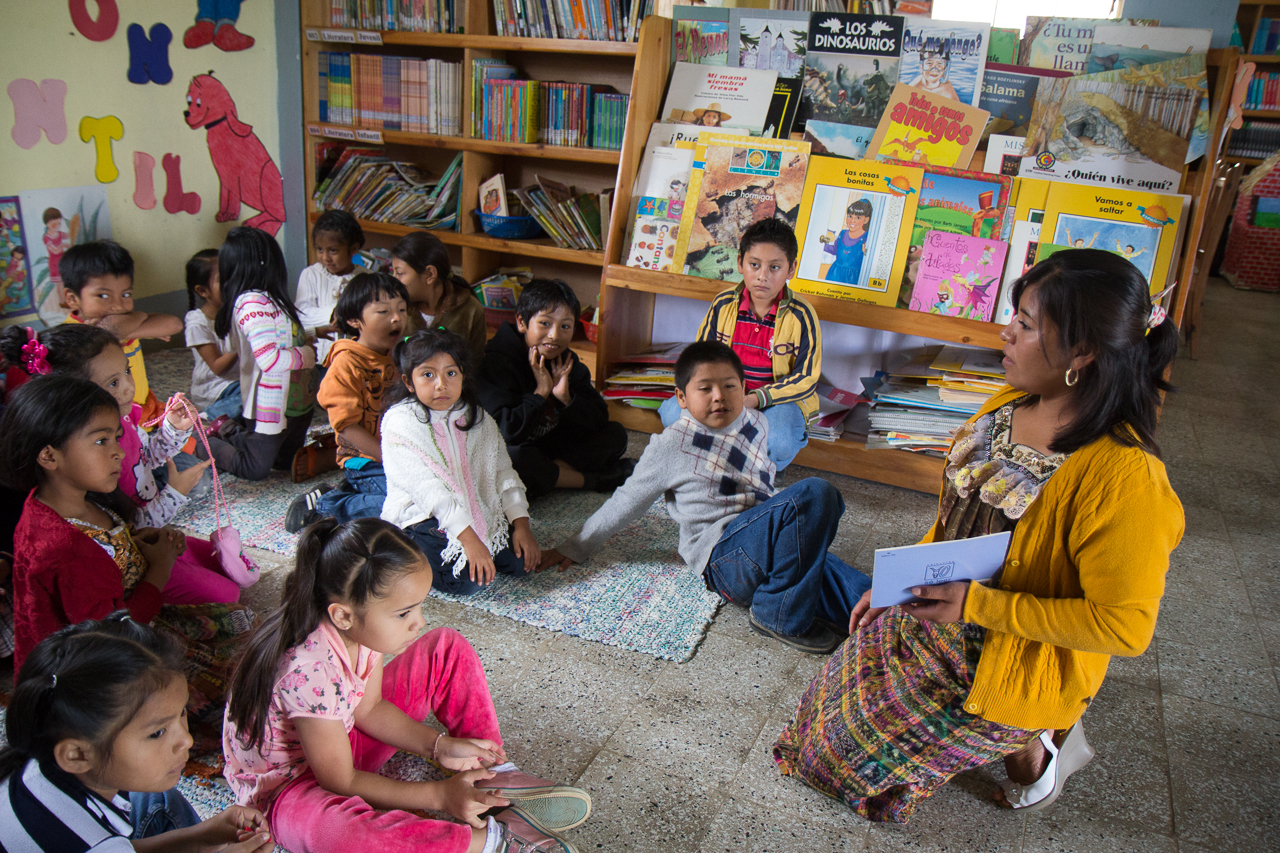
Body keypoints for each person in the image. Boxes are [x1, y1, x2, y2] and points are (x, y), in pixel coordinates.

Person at [773, 248, 1185, 821]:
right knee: (809, 733)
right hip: (942, 614)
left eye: (1024, 324)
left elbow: (1125, 626)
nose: (1005, 333)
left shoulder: (1126, 479)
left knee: (832, 764)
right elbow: (955, 518)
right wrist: (895, 586)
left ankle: (1034, 740)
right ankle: (1028, 737)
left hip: (1003, 651)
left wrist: (977, 604)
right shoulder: (1006, 403)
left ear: (1082, 353)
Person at [222, 517, 591, 853]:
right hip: (290, 789)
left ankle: (493, 777)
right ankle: (489, 842)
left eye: (417, 607)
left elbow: (368, 708)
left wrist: (438, 745)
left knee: (446, 647)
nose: (418, 623)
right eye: (403, 613)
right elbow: (340, 779)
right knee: (339, 833)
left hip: (339, 733)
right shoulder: (310, 670)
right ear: (343, 615)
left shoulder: (358, 631)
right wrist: (439, 796)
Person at [542, 341, 870, 654]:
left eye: (729, 386)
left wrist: (788, 525)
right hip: (723, 557)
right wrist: (576, 545)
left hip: (761, 539)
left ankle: (873, 616)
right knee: (815, 493)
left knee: (869, 595)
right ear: (681, 398)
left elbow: (762, 486)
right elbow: (626, 501)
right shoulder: (672, 444)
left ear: (744, 389)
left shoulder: (756, 423)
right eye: (705, 388)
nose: (719, 397)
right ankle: (777, 614)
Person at [0, 375, 253, 750]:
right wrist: (160, 568)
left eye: (116, 438)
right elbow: (113, 632)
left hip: (138, 622)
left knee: (250, 629)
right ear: (49, 455)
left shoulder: (78, 501)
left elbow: (108, 548)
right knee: (236, 705)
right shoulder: (61, 546)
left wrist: (138, 543)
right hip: (99, 666)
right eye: (101, 441)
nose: (119, 452)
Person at [0, 324, 248, 603]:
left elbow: (142, 458)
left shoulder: (122, 422)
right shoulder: (84, 480)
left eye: (127, 372)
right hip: (138, 542)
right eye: (113, 383)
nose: (130, 387)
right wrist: (175, 495)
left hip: (141, 534)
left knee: (220, 563)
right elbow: (126, 531)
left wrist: (173, 429)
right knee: (228, 594)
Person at [0, 613, 274, 852]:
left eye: (181, 713)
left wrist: (202, 837)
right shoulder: (85, 842)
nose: (186, 740)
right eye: (157, 733)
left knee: (157, 797)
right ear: (77, 754)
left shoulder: (34, 763)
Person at [380, 330, 541, 596]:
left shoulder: (476, 417)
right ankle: (345, 508)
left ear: (463, 375)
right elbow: (427, 490)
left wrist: (522, 525)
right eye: (428, 374)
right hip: (425, 516)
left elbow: (502, 471)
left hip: (475, 507)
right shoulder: (400, 422)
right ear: (409, 382)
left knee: (521, 563)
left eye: (451, 373)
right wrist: (469, 541)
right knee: (467, 582)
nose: (441, 384)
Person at [658, 218, 820, 471]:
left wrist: (756, 399)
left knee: (779, 439)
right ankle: (721, 461)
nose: (762, 276)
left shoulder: (802, 315)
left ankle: (759, 472)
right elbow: (700, 359)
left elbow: (807, 377)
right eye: (754, 265)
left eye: (775, 267)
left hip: (774, 402)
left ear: (791, 270)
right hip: (725, 395)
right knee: (671, 414)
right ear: (740, 263)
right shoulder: (723, 304)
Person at [476, 279, 631, 500]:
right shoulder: (496, 363)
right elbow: (504, 433)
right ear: (521, 322)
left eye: (565, 326)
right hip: (519, 448)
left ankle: (553, 475)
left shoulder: (565, 359)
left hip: (549, 447)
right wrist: (541, 393)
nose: (554, 335)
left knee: (616, 435)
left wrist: (566, 398)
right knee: (511, 460)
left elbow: (599, 420)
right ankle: (592, 480)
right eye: (545, 323)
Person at [287, 273, 407, 532]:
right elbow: (347, 427)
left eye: (402, 310)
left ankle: (349, 492)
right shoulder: (346, 363)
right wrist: (388, 458)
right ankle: (327, 505)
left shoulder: (398, 356)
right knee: (403, 507)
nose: (396, 318)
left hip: (399, 455)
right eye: (383, 311)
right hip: (365, 460)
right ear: (354, 320)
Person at [203, 227, 317, 481]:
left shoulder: (272, 298)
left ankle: (232, 429)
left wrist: (309, 339)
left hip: (298, 403)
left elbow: (284, 336)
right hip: (273, 404)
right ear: (267, 263)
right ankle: (203, 444)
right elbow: (270, 360)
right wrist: (307, 355)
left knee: (285, 464)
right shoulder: (252, 303)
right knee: (255, 469)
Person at [59, 239, 183, 425]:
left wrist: (132, 321)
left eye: (126, 294)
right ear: (72, 299)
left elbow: (174, 324)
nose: (117, 306)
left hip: (143, 412)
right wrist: (138, 318)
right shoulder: (74, 335)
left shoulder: (126, 323)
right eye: (103, 296)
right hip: (110, 423)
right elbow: (107, 331)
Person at [390, 231, 487, 362]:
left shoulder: (471, 310)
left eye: (400, 273)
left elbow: (476, 365)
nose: (394, 280)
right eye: (393, 272)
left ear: (429, 274)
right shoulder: (395, 308)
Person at [296, 210, 365, 364]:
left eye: (333, 250)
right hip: (320, 361)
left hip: (356, 360)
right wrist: (332, 313)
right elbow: (301, 314)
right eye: (320, 249)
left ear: (353, 248)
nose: (325, 257)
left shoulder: (366, 279)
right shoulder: (310, 275)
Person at [184, 248, 242, 421]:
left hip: (240, 380)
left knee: (273, 389)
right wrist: (244, 341)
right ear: (203, 291)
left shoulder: (239, 311)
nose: (233, 284)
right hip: (214, 386)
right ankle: (206, 417)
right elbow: (217, 367)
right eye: (224, 280)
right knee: (250, 397)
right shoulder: (197, 323)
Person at [820, 199, 872, 285]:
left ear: (866, 220)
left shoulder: (867, 237)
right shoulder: (842, 233)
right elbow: (834, 250)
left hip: (853, 278)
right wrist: (821, 245)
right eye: (850, 216)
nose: (852, 221)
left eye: (858, 217)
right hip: (835, 274)